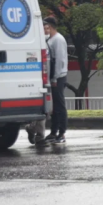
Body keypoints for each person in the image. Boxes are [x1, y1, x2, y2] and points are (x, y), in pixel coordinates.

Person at [42, 16, 68, 144]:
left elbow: (60, 60)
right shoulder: (51, 39)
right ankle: (53, 132)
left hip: (59, 76)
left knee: (60, 106)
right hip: (54, 76)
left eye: (45, 27)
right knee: (55, 107)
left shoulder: (58, 39)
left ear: (50, 27)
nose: (44, 30)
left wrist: (55, 78)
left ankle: (62, 133)